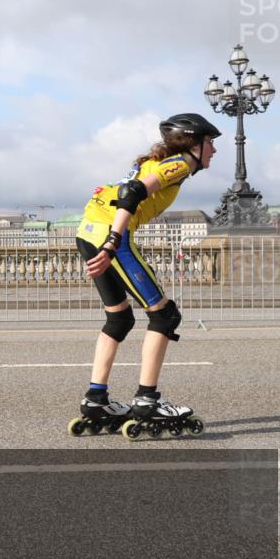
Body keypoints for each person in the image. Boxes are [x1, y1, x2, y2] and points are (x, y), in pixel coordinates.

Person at [70, 113, 220, 438]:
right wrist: (113, 241)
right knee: (165, 316)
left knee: (120, 319)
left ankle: (96, 399)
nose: (214, 150)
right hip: (110, 234)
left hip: (87, 229)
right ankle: (147, 400)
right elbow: (133, 191)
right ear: (194, 143)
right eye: (210, 143)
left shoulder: (160, 161)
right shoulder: (180, 163)